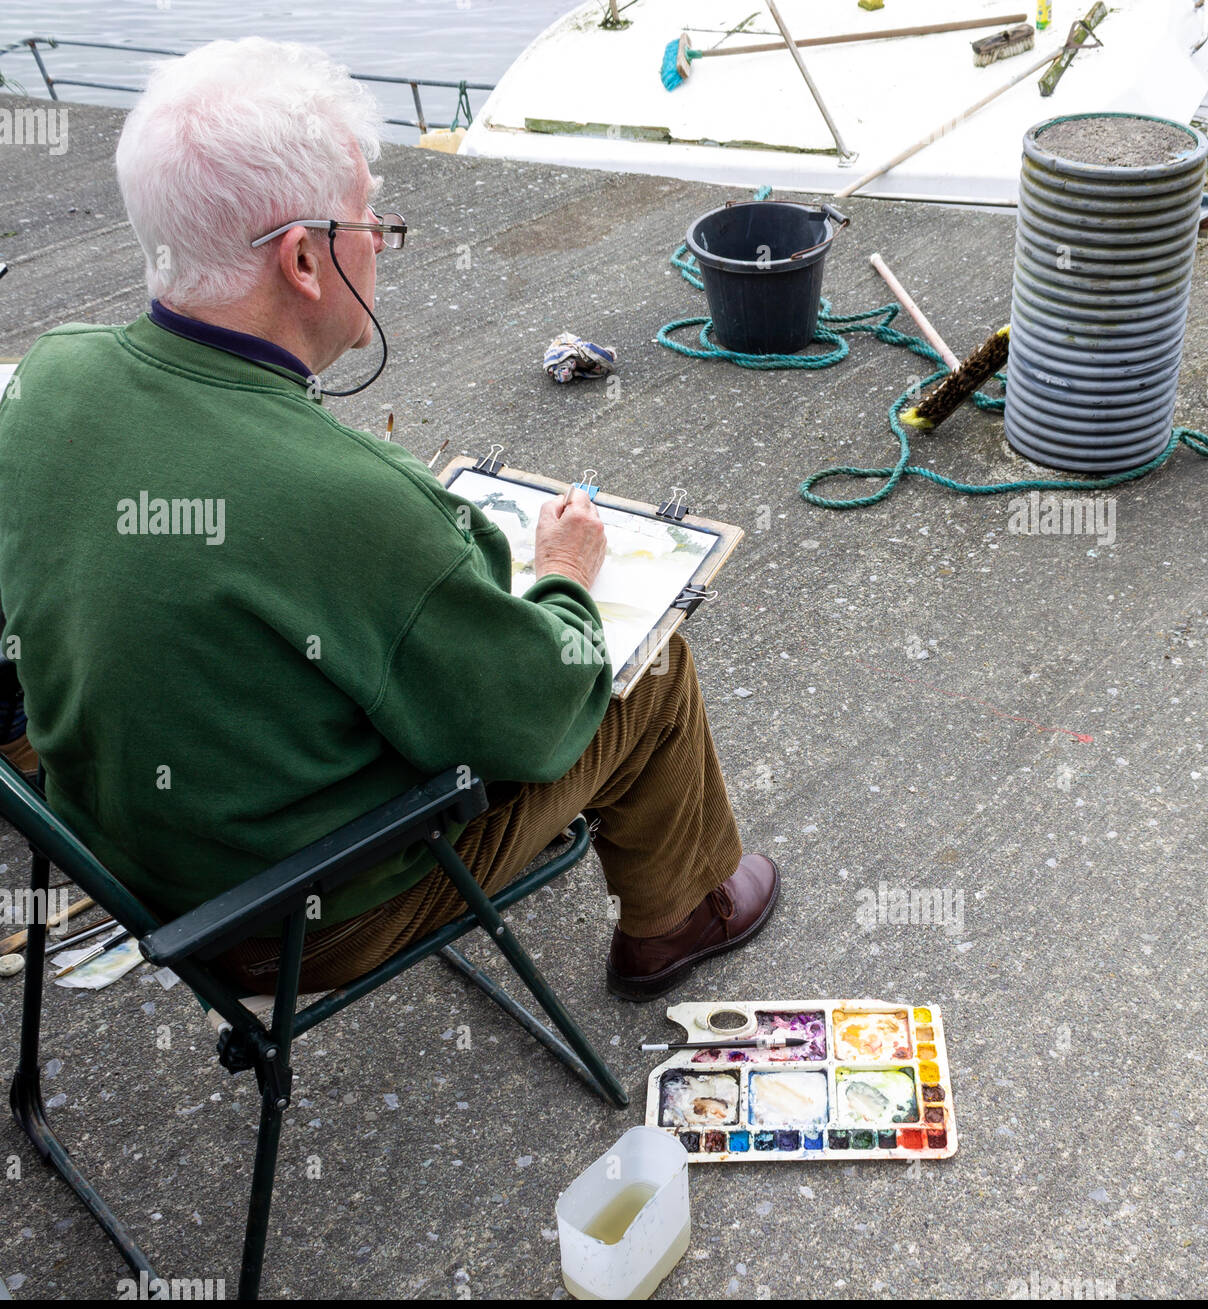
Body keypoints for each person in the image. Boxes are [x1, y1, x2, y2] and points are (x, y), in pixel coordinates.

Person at [0, 37, 779, 1002]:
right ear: (302, 257)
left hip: (109, 857)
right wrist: (567, 578)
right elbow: (535, 720)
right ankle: (676, 919)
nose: (381, 235)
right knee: (649, 665)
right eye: (370, 215)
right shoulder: (353, 500)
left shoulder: (50, 371)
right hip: (283, 927)